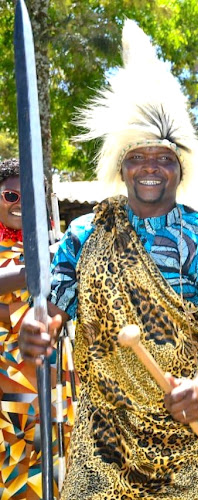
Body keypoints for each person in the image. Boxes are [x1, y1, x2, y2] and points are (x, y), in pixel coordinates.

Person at [18, 21, 198, 499]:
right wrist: (38, 326)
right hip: (104, 433)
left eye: (164, 157)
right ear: (121, 167)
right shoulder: (86, 233)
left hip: (189, 438)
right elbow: (58, 300)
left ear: (180, 168)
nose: (150, 166)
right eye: (138, 157)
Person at [0, 158, 73, 499]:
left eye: (31, 197)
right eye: (11, 196)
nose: (20, 205)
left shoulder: (57, 247)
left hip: (50, 379)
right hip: (6, 383)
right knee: (9, 469)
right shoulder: (50, 253)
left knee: (50, 472)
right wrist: (41, 262)